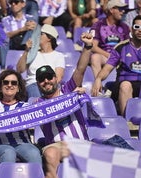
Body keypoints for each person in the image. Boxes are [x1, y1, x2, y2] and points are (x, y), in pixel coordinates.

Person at [34, 32, 94, 178]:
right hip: (57, 146)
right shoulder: (38, 104)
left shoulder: (69, 90)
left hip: (81, 143)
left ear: (56, 78)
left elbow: (80, 69)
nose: (46, 81)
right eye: (42, 79)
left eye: (49, 77)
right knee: (49, 153)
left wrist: (87, 46)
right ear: (37, 84)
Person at [91, 15, 141, 116]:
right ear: (132, 29)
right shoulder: (121, 47)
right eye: (137, 27)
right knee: (126, 85)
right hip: (124, 83)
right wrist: (98, 79)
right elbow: (107, 69)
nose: (140, 30)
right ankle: (127, 121)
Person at [16, 24, 65, 98]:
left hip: (49, 85)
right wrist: (26, 51)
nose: (38, 36)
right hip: (33, 83)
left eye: (41, 34)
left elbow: (58, 77)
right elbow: (20, 69)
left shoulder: (58, 56)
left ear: (49, 38)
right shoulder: (32, 53)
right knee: (36, 95)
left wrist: (47, 87)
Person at [89, 0, 130, 78]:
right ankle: (99, 87)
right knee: (95, 57)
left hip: (121, 58)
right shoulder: (98, 25)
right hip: (105, 56)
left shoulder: (124, 27)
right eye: (120, 9)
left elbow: (128, 45)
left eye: (123, 9)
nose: (123, 12)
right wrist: (109, 55)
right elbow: (93, 47)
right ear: (111, 10)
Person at [0, 0, 37, 68]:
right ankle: (4, 66)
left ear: (23, 4)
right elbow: (6, 35)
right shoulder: (6, 19)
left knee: (32, 30)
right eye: (11, 3)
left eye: (16, 2)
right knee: (3, 39)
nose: (13, 4)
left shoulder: (30, 18)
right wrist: (22, 29)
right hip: (12, 42)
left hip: (27, 41)